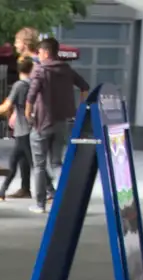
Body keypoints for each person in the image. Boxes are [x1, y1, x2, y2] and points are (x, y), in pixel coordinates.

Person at [25, 37, 91, 213]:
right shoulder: (66, 69)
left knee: (39, 165)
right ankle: (65, 199)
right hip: (61, 122)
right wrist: (81, 109)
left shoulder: (40, 70)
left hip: (42, 122)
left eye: (39, 52)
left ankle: (40, 204)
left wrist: (28, 115)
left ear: (45, 52)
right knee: (56, 163)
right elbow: (85, 86)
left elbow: (31, 96)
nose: (38, 55)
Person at [0, 56, 34, 201]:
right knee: (20, 161)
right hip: (28, 128)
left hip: (23, 129)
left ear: (18, 69)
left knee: (28, 162)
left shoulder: (19, 85)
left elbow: (6, 106)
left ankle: (51, 191)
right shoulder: (33, 84)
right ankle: (11, 190)